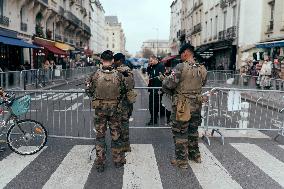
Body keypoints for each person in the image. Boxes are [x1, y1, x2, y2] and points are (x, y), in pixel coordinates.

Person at [162, 43, 207, 169]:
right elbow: (203, 83)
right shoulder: (202, 68)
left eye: (181, 54)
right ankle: (195, 155)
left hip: (182, 106)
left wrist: (165, 82)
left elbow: (169, 84)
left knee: (180, 132)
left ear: (185, 53)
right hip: (196, 105)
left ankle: (182, 161)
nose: (180, 56)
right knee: (193, 131)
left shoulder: (180, 67)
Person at [86, 50, 126, 172]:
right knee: (116, 136)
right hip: (114, 109)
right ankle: (118, 161)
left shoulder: (95, 75)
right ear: (113, 60)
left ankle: (100, 163)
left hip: (100, 110)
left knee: (100, 137)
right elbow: (123, 91)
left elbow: (89, 92)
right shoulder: (119, 75)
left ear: (101, 60)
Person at [113, 53, 136, 152]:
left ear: (119, 60)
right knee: (123, 123)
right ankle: (125, 144)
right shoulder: (124, 69)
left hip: (123, 101)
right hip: (124, 101)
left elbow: (130, 84)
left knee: (122, 123)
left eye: (115, 60)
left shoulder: (123, 70)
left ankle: (124, 145)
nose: (113, 62)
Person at [147, 55, 165, 125]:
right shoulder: (152, 66)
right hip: (152, 88)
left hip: (158, 89)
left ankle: (153, 120)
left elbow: (161, 77)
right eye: (149, 61)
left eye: (151, 61)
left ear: (155, 59)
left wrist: (153, 79)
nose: (150, 62)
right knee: (155, 104)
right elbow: (149, 73)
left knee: (154, 105)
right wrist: (149, 66)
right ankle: (167, 113)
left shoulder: (161, 66)